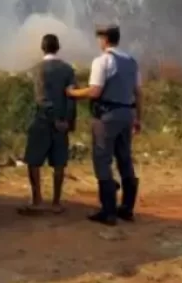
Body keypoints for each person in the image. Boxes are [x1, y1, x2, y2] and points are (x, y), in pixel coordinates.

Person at [67, 23, 141, 226]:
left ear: (104, 40)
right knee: (125, 159)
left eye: (99, 38)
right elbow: (138, 92)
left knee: (102, 160)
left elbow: (95, 91)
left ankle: (108, 211)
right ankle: (127, 209)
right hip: (127, 113)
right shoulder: (131, 61)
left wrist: (72, 93)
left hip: (107, 116)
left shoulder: (102, 61)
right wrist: (138, 118)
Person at [19, 33, 77, 216]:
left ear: (42, 48)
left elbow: (39, 99)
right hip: (61, 123)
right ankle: (56, 203)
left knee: (33, 161)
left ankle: (37, 200)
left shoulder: (37, 70)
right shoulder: (68, 70)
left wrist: (50, 118)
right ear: (58, 47)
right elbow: (71, 98)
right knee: (59, 163)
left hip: (42, 121)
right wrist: (67, 122)